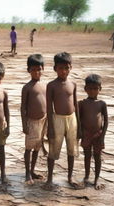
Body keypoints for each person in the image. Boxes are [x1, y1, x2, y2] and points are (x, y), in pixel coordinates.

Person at [45, 52, 80, 189]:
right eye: (60, 68)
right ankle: (49, 179)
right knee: (53, 150)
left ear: (70, 67)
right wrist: (50, 127)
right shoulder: (51, 85)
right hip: (57, 119)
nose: (64, 71)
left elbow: (76, 105)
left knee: (71, 149)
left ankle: (70, 176)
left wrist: (80, 126)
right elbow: (49, 108)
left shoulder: (73, 84)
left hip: (72, 119)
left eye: (66, 68)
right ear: (55, 69)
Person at [79, 74, 108, 190]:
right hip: (86, 133)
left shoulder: (102, 103)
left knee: (97, 156)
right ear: (85, 89)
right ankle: (86, 176)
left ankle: (96, 178)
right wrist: (80, 132)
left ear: (100, 89)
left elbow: (106, 121)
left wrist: (103, 136)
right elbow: (79, 119)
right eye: (90, 88)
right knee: (86, 155)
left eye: (95, 88)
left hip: (98, 134)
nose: (92, 91)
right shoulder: (82, 103)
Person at [21, 54, 47, 184]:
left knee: (37, 147)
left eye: (39, 69)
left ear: (43, 69)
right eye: (33, 70)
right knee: (28, 148)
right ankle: (27, 173)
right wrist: (24, 124)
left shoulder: (45, 86)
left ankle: (32, 170)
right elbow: (23, 108)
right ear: (28, 70)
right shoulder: (27, 88)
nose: (36, 72)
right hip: (31, 121)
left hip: (43, 121)